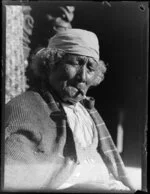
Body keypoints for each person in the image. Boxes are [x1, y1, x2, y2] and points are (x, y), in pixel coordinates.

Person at [4, 29, 135, 192]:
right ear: (51, 63)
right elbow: (12, 180)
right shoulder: (24, 107)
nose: (83, 77)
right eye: (76, 63)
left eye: (90, 68)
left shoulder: (88, 113)